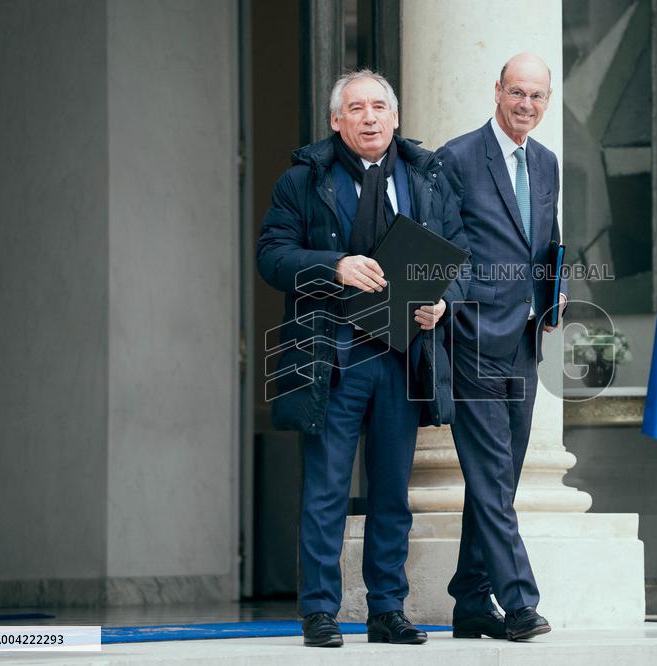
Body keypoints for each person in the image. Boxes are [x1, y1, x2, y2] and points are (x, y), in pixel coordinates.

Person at [256, 70, 468, 648]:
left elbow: (460, 257)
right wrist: (333, 266)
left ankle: (387, 610)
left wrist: (441, 302)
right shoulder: (303, 180)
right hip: (332, 355)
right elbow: (271, 255)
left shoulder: (427, 177)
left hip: (401, 358)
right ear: (336, 121)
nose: (369, 117)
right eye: (356, 108)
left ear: (395, 117)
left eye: (379, 107)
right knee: (324, 488)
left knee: (392, 492)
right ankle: (320, 612)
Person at [436, 52, 566, 642]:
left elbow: (547, 241)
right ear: (497, 91)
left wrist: (555, 294)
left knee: (502, 477)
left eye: (537, 96)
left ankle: (469, 598)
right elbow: (446, 246)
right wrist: (457, 307)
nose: (527, 106)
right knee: (490, 472)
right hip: (471, 338)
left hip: (523, 340)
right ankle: (518, 603)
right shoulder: (457, 158)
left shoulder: (546, 162)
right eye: (518, 93)